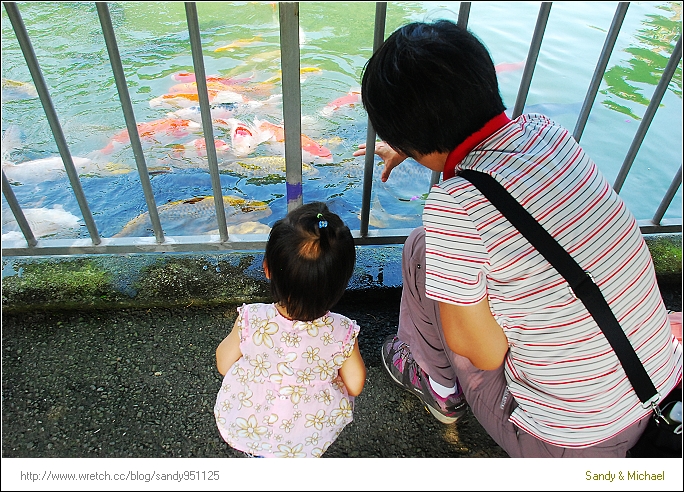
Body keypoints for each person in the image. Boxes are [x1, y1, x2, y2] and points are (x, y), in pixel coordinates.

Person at [354, 19, 682, 457]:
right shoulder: (548, 133)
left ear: (408, 141)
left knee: (421, 249)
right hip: (660, 385)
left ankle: (436, 385)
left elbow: (485, 353)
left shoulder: (455, 205)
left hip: (573, 442)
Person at [214, 201, 366, 458]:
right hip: (308, 433)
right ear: (342, 282)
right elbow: (355, 384)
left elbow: (223, 363)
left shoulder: (253, 319)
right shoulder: (342, 332)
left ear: (268, 270)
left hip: (252, 423)